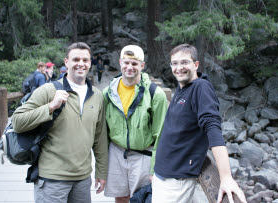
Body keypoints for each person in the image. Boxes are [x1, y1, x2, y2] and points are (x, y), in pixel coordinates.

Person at [12, 42, 108, 203]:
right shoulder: (48, 90)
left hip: (83, 179)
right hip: (52, 179)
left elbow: (100, 137)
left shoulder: (97, 96)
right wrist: (50, 107)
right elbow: (17, 121)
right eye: (75, 59)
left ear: (90, 63)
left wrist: (102, 172)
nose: (80, 64)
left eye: (85, 60)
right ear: (66, 62)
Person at [153, 44, 246, 203]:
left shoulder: (201, 88)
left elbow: (213, 129)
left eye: (184, 62)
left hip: (176, 182)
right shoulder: (183, 86)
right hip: (163, 176)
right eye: (174, 63)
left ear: (195, 65)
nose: (179, 68)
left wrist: (226, 177)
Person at [103, 45, 168, 203]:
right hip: (117, 153)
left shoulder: (155, 94)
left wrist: (155, 169)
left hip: (143, 155)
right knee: (120, 197)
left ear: (142, 66)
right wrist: (100, 165)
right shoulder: (108, 93)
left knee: (141, 198)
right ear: (120, 63)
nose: (129, 67)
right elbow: (102, 131)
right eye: (126, 63)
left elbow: (161, 134)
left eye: (134, 63)